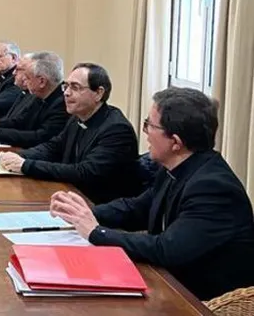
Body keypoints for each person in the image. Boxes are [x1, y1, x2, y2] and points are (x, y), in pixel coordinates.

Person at [50, 87, 254, 301]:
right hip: (169, 281)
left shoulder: (213, 187)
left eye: (150, 125)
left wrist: (96, 232)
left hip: (200, 301)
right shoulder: (175, 167)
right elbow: (137, 208)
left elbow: (167, 249)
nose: (145, 132)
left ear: (175, 142)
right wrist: (82, 213)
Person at [0, 63, 141, 204]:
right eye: (66, 86)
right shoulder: (77, 117)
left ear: (98, 93)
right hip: (71, 196)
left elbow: (84, 172)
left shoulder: (117, 129)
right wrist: (20, 156)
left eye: (75, 87)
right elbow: (53, 147)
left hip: (98, 207)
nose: (66, 93)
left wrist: (26, 165)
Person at [0, 52, 68, 148]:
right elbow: (21, 122)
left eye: (28, 78)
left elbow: (39, 137)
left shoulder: (62, 103)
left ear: (42, 81)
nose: (25, 81)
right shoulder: (39, 96)